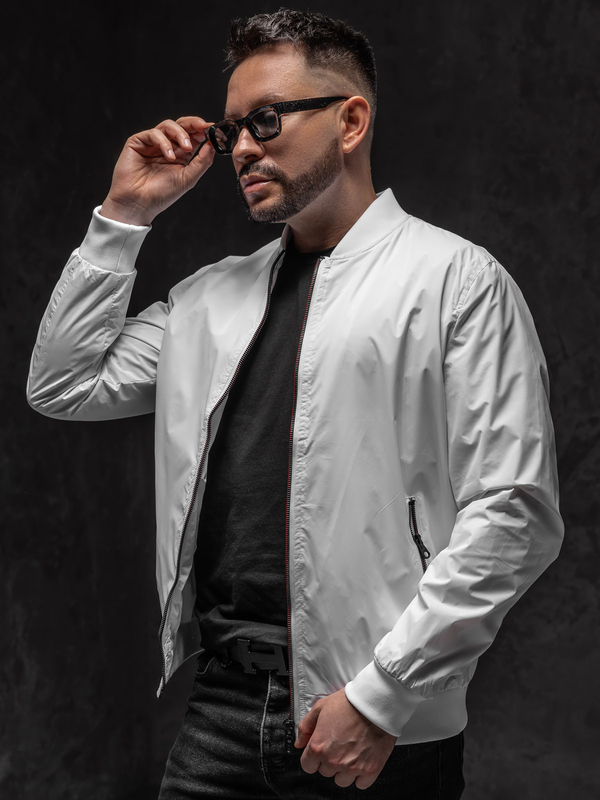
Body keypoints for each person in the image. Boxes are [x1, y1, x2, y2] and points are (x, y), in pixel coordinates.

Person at [26, 9, 563, 799]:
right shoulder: (208, 300)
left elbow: (514, 514)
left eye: (267, 121)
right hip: (220, 710)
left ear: (350, 121)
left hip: (378, 724)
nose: (242, 148)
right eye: (230, 130)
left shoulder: (456, 282)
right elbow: (64, 384)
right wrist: (123, 215)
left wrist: (381, 697)